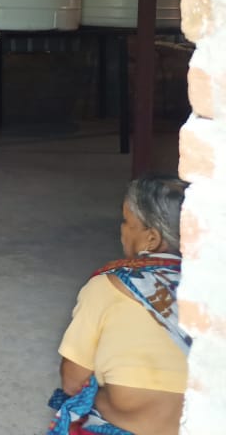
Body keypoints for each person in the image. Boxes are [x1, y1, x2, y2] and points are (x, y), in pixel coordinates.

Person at [48, 176, 190, 435]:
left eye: (126, 221)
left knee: (76, 401)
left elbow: (72, 381)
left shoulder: (108, 286)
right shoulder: (214, 288)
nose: (122, 231)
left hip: (127, 426)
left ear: (152, 239)